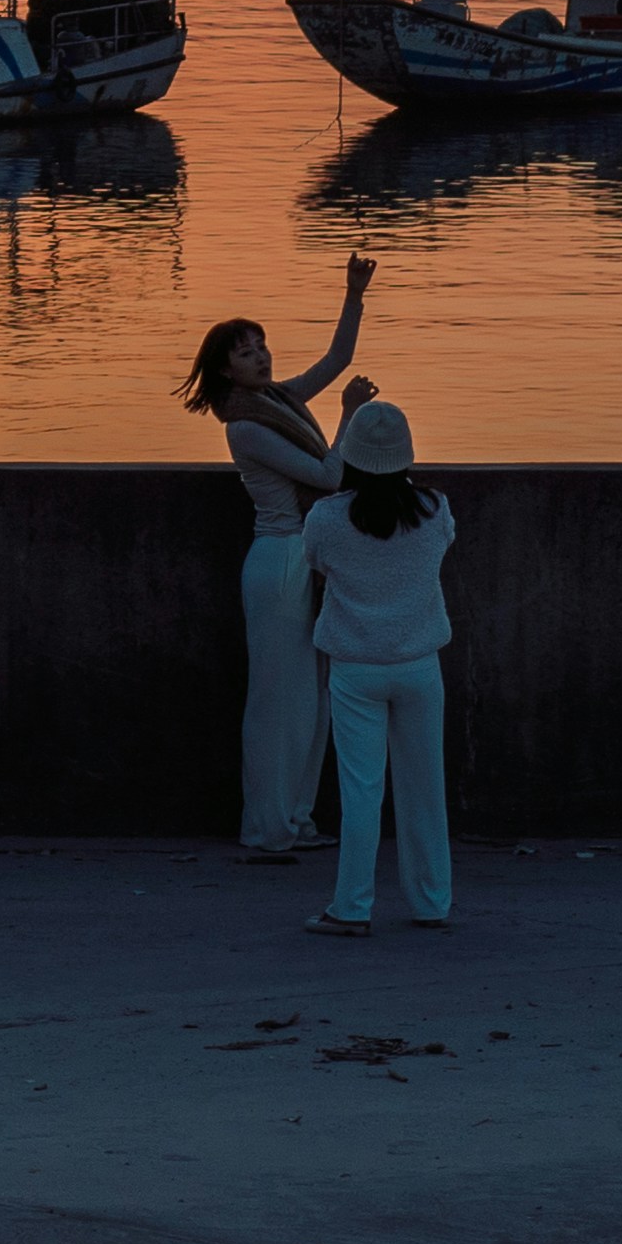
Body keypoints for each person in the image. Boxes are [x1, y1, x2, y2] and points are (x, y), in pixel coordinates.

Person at [179, 256, 371, 856]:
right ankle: (266, 827)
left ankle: (295, 820)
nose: (260, 357)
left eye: (261, 345)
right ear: (225, 372)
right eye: (245, 352)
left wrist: (353, 294)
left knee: (310, 700)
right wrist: (349, 416)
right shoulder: (245, 425)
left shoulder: (280, 401)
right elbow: (326, 474)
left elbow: (337, 362)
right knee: (277, 703)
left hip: (304, 560)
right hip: (280, 564)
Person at [300, 391, 455, 934]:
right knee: (425, 786)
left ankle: (351, 907)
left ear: (352, 455)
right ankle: (432, 902)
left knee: (361, 789)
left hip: (355, 665)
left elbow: (315, 563)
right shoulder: (435, 510)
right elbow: (441, 547)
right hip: (419, 664)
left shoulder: (326, 518)